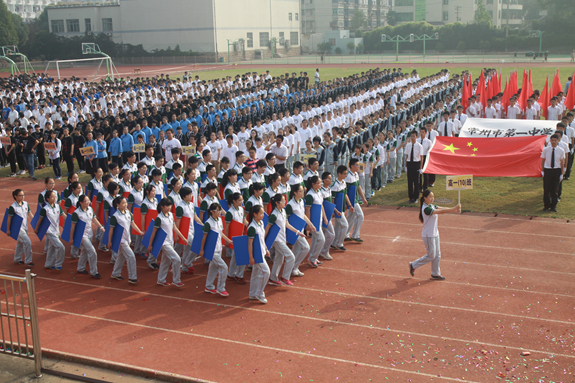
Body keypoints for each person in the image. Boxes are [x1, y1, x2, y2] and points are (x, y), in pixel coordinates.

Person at [409, 190, 461, 280]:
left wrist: (454, 209)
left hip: (435, 233)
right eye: (430, 197)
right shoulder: (426, 209)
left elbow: (441, 208)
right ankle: (413, 265)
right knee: (431, 255)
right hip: (428, 235)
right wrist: (453, 209)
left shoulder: (431, 205)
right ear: (425, 198)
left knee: (437, 255)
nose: (432, 198)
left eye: (433, 196)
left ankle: (435, 274)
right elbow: (440, 212)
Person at [148, 198, 188, 287]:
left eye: (170, 205)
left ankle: (161, 280)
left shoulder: (170, 215)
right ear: (162, 207)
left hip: (170, 241)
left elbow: (175, 228)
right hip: (164, 243)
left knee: (165, 262)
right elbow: (154, 232)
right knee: (177, 259)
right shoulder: (159, 218)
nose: (169, 207)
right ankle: (176, 280)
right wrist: (150, 245)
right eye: (167, 206)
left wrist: (183, 238)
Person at [268, 193, 306, 283]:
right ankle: (285, 277)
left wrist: (298, 232)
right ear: (277, 203)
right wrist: (265, 242)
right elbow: (267, 228)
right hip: (277, 240)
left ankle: (273, 278)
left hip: (282, 238)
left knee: (279, 259)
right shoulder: (274, 214)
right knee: (291, 257)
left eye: (285, 200)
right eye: (283, 201)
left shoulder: (283, 211)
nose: (285, 202)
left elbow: (287, 224)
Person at [110, 196, 145, 284]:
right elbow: (111, 230)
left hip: (127, 239)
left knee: (121, 257)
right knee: (131, 257)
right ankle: (132, 277)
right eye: (123, 203)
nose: (125, 204)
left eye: (126, 202)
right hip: (121, 241)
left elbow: (132, 224)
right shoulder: (115, 216)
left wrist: (140, 232)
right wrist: (109, 241)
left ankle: (115, 273)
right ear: (117, 204)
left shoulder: (128, 213)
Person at [200, 203, 233, 296]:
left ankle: (209, 286)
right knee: (224, 267)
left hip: (219, 248)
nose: (220, 212)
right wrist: (202, 250)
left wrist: (229, 240)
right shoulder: (208, 223)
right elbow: (204, 237)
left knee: (213, 268)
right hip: (212, 250)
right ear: (212, 211)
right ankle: (220, 288)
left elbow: (221, 233)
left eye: (220, 210)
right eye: (218, 210)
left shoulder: (219, 220)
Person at [70, 194, 104, 279]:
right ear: (80, 202)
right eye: (85, 201)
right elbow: (73, 226)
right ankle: (94, 272)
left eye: (88, 200)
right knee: (92, 252)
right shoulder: (76, 213)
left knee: (84, 251)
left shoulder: (90, 209)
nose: (88, 202)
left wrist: (101, 227)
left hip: (89, 234)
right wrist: (71, 238)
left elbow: (94, 219)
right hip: (82, 236)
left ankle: (80, 268)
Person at [35, 190, 66, 270]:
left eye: (55, 196)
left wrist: (71, 220)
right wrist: (36, 228)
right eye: (52, 197)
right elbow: (40, 219)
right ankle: (58, 264)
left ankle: (48, 264)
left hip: (56, 231)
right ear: (47, 199)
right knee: (60, 247)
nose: (54, 198)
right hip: (49, 231)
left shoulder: (58, 206)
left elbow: (63, 215)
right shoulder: (44, 209)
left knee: (51, 248)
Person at [247, 205, 271, 304]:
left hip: (261, 252)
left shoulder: (261, 223)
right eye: (261, 213)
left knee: (256, 274)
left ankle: (252, 293)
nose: (262, 215)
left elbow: (261, 239)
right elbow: (250, 243)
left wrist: (266, 248)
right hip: (257, 255)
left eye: (263, 213)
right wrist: (251, 257)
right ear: (255, 214)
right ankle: (259, 293)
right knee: (266, 272)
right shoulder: (252, 227)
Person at [225, 192, 249, 284]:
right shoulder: (230, 213)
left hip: (241, 235)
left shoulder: (241, 209)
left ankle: (231, 274)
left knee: (235, 257)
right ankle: (239, 275)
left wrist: (250, 225)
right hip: (235, 237)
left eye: (242, 200)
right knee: (241, 256)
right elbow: (227, 227)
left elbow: (244, 221)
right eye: (239, 200)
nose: (241, 202)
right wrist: (227, 239)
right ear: (234, 201)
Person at [305, 175, 328, 267]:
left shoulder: (318, 192)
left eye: (320, 182)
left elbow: (321, 205)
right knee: (321, 239)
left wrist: (325, 218)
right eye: (318, 183)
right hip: (314, 221)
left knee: (315, 240)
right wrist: (309, 223)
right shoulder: (310, 195)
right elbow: (307, 209)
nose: (320, 184)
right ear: (313, 184)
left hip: (319, 219)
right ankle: (312, 258)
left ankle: (313, 258)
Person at [7, 189, 34, 266]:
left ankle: (17, 258)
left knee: (20, 243)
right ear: (15, 196)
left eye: (23, 195)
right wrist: (8, 230)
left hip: (25, 227)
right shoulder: (13, 207)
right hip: (18, 229)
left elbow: (30, 214)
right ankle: (28, 260)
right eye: (20, 195)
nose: (23, 197)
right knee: (27, 242)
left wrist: (35, 221)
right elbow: (9, 218)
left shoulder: (25, 204)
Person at [345, 158, 368, 242]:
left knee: (350, 217)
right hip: (351, 200)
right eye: (357, 165)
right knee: (360, 215)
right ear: (352, 166)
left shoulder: (356, 174)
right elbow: (345, 190)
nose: (358, 166)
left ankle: (345, 234)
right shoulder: (348, 177)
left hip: (355, 199)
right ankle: (355, 235)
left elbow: (358, 186)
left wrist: (363, 198)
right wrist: (347, 203)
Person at [541, 133, 565, 212]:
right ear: (550, 141)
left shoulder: (561, 150)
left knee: (554, 190)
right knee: (546, 189)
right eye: (552, 140)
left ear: (558, 141)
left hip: (556, 170)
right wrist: (542, 170)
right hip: (548, 170)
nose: (553, 142)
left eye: (555, 140)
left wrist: (562, 174)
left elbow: (562, 162)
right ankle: (546, 205)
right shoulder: (546, 149)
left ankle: (553, 206)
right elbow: (543, 160)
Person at [404, 131, 423, 203]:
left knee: (416, 181)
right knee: (410, 181)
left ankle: (416, 197)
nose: (412, 138)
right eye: (411, 136)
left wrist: (420, 167)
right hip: (409, 163)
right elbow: (407, 156)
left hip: (416, 163)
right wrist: (406, 166)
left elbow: (421, 157)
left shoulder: (419, 146)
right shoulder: (408, 145)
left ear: (416, 137)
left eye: (414, 136)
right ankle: (410, 196)